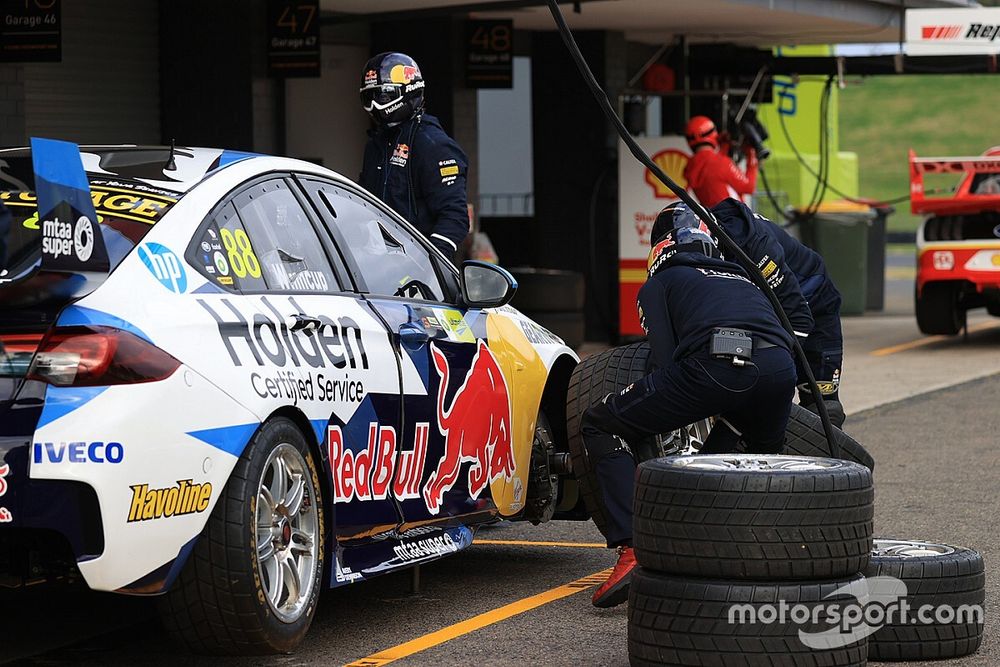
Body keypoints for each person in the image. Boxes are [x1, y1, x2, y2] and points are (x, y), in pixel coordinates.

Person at [583, 202, 797, 608]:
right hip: (778, 371)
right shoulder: (746, 277)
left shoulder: (662, 281)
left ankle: (632, 548)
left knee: (601, 424)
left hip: (718, 365)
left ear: (660, 246)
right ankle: (762, 557)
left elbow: (663, 361)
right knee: (752, 460)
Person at [708, 197, 845, 426]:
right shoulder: (698, 245)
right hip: (765, 305)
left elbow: (799, 319)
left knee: (821, 408)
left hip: (813, 303)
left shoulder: (752, 247)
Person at [358, 52, 470, 259]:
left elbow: (455, 217)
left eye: (381, 97)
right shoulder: (375, 145)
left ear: (409, 91)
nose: (374, 106)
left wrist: (429, 263)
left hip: (418, 271)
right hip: (376, 265)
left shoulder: (433, 145)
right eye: (369, 98)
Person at [683, 115, 758, 208]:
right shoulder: (721, 162)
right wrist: (752, 157)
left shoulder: (689, 166)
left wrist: (724, 147)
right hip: (734, 217)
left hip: (712, 218)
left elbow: (713, 177)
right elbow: (748, 187)